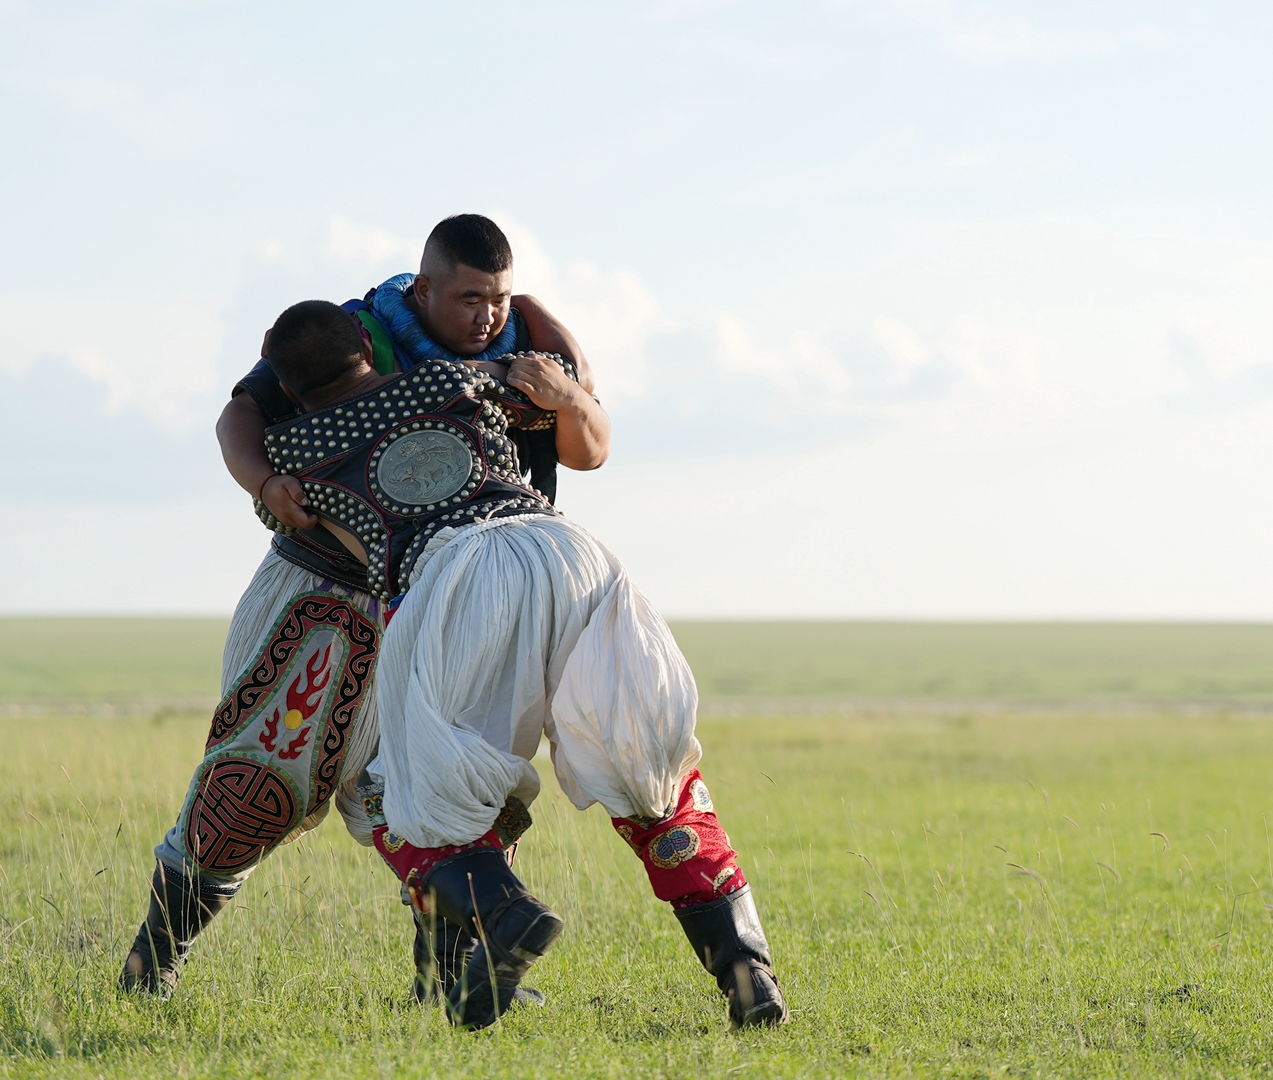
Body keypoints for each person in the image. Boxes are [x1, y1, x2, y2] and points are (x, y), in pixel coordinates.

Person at [249, 299, 787, 1031]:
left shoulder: (294, 454)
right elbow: (567, 375)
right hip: (569, 553)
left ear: (288, 386)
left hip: (451, 577)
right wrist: (530, 309)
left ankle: (504, 912)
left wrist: (264, 472)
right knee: (649, 767)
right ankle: (749, 974)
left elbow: (250, 448)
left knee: (410, 785)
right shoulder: (454, 378)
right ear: (370, 354)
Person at [119, 215, 608, 1005]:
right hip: (325, 593)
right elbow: (239, 415)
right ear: (425, 290)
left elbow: (591, 439)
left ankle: (454, 979)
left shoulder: (532, 346)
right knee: (253, 787)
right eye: (469, 298)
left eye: (497, 298)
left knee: (458, 781)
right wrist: (265, 482)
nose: (487, 314)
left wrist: (564, 389)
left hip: (464, 597)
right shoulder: (351, 333)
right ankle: (151, 966)